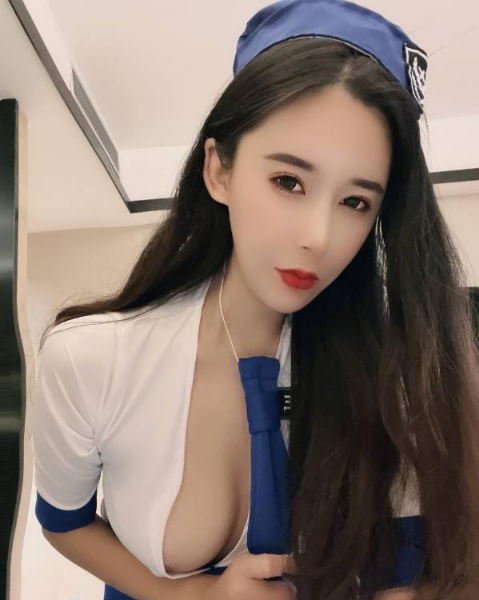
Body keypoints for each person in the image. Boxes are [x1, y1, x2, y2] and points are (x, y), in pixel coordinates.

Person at [31, 0, 479, 599]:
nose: (318, 237)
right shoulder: (92, 360)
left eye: (355, 202)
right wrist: (188, 596)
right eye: (288, 181)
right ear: (219, 171)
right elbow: (64, 522)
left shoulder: (397, 371)